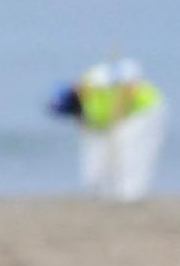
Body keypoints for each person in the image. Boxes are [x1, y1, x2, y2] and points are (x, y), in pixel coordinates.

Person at [49, 56, 167, 201]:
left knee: (131, 148)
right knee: (105, 152)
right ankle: (106, 189)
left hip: (142, 110)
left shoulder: (94, 79)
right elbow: (91, 123)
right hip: (121, 119)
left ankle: (130, 192)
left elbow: (129, 84)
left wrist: (121, 109)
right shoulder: (83, 110)